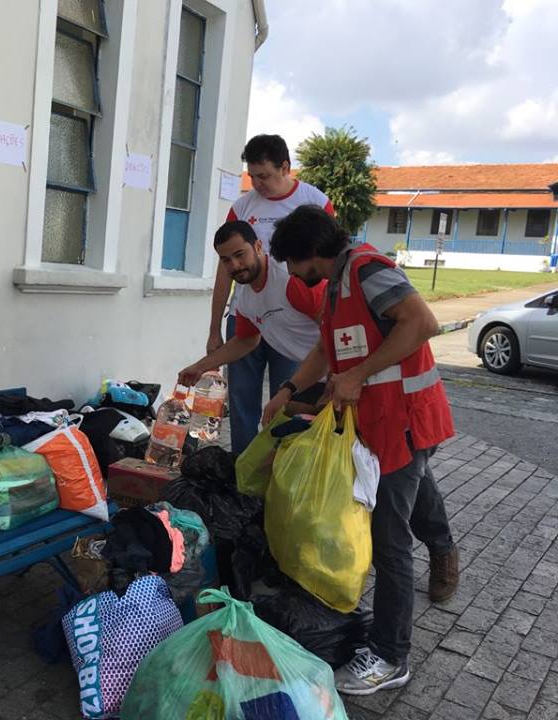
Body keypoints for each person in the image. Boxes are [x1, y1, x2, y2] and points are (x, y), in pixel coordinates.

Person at [262, 205, 459, 696]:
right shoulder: (337, 284)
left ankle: (392, 656)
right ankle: (444, 548)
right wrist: (288, 389)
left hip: (405, 420)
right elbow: (327, 350)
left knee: (389, 537)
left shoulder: (368, 270)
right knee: (415, 489)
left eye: (291, 262)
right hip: (382, 424)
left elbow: (422, 323)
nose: (291, 273)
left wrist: (358, 374)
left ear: (310, 253)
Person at [208, 134, 334, 453]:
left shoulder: (315, 202)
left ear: (285, 167)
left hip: (296, 317)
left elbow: (330, 264)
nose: (258, 184)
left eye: (264, 176)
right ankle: (243, 473)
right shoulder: (242, 206)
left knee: (287, 401)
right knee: (241, 402)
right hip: (247, 315)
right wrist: (214, 330)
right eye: (252, 177)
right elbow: (226, 268)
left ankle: (280, 472)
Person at [178, 221, 324, 406]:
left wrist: (343, 375)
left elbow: (335, 325)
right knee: (282, 426)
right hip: (314, 375)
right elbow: (246, 341)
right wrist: (199, 367)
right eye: (226, 260)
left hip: (340, 371)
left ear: (258, 246)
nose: (235, 265)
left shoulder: (290, 279)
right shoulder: (246, 301)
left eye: (240, 255)